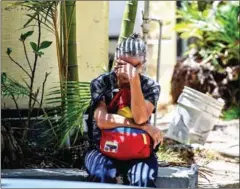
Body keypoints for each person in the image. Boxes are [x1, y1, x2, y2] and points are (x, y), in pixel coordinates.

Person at [84, 33, 163, 187]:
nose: (128, 71)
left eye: (134, 66)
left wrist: (134, 80)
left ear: (142, 65)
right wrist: (145, 127)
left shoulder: (150, 86)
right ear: (116, 62)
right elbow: (102, 121)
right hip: (102, 149)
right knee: (102, 175)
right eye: (124, 64)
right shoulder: (102, 83)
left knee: (143, 180)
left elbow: (140, 117)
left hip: (139, 150)